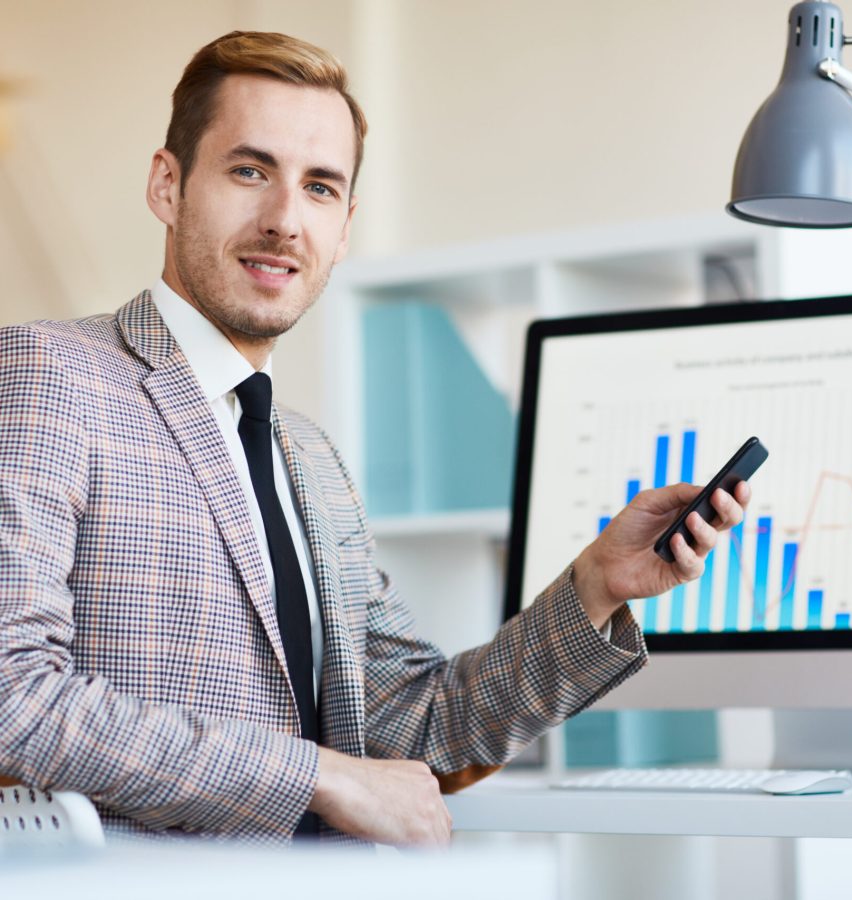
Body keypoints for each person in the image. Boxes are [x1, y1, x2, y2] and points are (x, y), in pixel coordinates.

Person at [0, 31, 749, 846]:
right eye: (249, 171)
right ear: (167, 185)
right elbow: (13, 696)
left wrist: (595, 588)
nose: (285, 220)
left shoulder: (309, 456)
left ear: (345, 225)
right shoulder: (51, 376)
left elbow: (416, 727)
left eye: (320, 188)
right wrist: (320, 775)